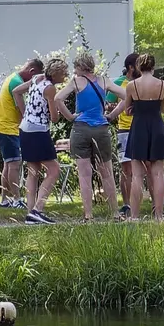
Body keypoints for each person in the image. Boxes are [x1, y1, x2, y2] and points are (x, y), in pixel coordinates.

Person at [57, 52, 121, 221]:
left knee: (84, 174)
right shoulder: (104, 81)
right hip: (101, 129)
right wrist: (113, 115)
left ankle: (88, 214)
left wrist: (70, 117)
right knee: (107, 173)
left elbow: (58, 98)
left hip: (80, 129)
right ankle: (115, 212)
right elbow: (127, 95)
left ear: (80, 67)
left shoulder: (77, 82)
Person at [113, 52, 164, 220]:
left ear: (139, 67)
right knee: (158, 174)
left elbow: (127, 110)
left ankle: (134, 216)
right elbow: (162, 109)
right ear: (153, 67)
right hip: (157, 128)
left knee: (137, 175)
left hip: (139, 129)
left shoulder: (132, 85)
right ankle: (159, 216)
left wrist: (135, 108)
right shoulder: (163, 85)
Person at [17, 60, 68, 224]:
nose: (65, 75)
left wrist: (25, 112)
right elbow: (54, 117)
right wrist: (60, 109)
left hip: (25, 128)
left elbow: (16, 91)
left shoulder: (36, 78)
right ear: (56, 74)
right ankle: (38, 210)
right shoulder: (50, 88)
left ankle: (30, 213)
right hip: (38, 131)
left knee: (33, 171)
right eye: (63, 73)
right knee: (54, 170)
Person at [0, 58, 43, 209]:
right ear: (32, 72)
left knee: (9, 165)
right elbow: (23, 111)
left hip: (3, 128)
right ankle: (16, 199)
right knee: (14, 164)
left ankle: (4, 199)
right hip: (8, 129)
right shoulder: (16, 83)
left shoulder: (12, 78)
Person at [112, 53, 139, 219]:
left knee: (147, 167)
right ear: (131, 67)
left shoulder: (143, 82)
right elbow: (107, 104)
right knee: (126, 169)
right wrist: (112, 108)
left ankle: (151, 204)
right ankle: (126, 203)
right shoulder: (118, 83)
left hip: (142, 129)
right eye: (139, 64)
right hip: (124, 129)